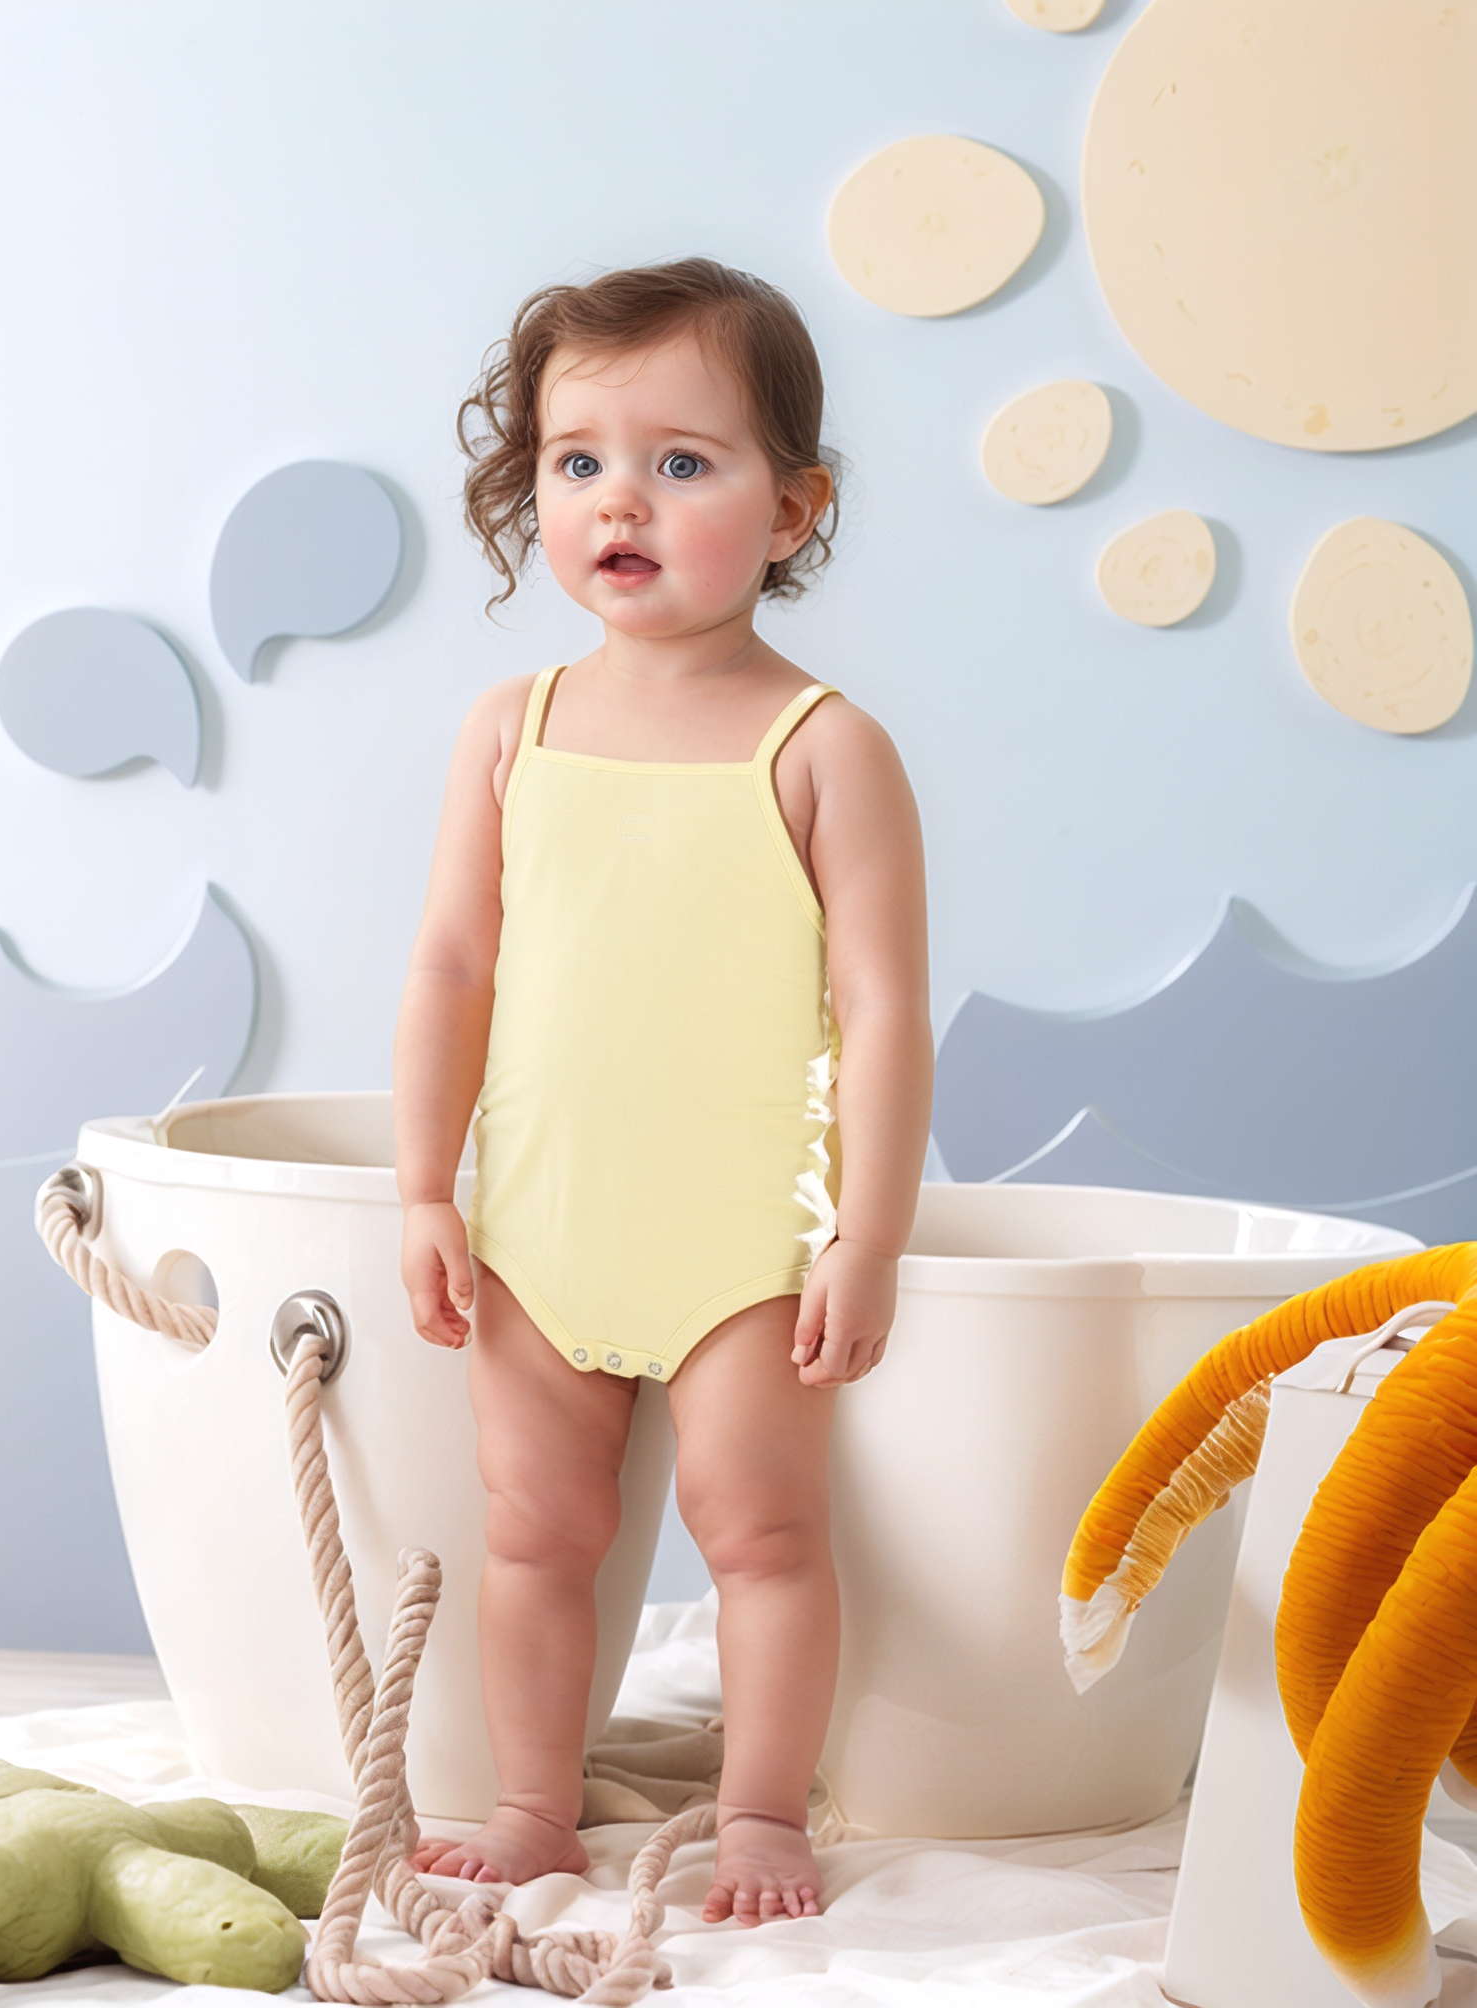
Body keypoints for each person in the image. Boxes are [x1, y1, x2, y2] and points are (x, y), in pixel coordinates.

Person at [392, 257, 931, 1926]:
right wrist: (424, 1189)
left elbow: (884, 1009)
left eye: (682, 462)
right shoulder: (513, 728)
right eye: (579, 461)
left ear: (793, 509)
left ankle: (761, 1812)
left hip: (745, 1238)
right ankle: (532, 1805)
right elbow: (451, 972)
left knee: (759, 1532)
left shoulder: (823, 746)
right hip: (543, 1223)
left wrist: (866, 1238)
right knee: (534, 1532)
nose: (619, 499)